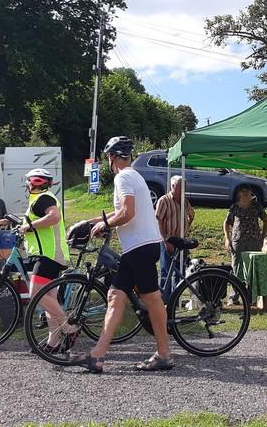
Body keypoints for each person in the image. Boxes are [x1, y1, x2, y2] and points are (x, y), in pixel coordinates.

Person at [69, 136, 173, 373]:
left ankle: (164, 354)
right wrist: (91, 221)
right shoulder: (133, 176)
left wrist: (105, 225)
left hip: (141, 247)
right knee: (115, 297)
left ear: (111, 157)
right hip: (137, 248)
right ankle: (97, 356)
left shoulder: (123, 176)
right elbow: (121, 212)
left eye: (108, 157)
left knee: (153, 300)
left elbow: (127, 212)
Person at [0, 168, 69, 350]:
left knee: (36, 295)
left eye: (27, 182)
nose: (26, 185)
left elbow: (53, 216)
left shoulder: (44, 199)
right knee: (49, 300)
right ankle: (53, 343)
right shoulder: (38, 200)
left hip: (49, 255)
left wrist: (31, 226)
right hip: (49, 254)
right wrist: (3, 222)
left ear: (33, 183)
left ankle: (69, 327)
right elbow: (27, 221)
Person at [154, 175, 194, 301]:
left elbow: (191, 214)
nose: (182, 190)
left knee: (180, 271)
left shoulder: (185, 202)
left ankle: (175, 300)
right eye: (179, 187)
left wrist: (188, 225)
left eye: (184, 187)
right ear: (172, 186)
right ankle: (165, 300)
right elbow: (158, 222)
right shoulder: (164, 200)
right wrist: (166, 241)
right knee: (166, 272)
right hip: (168, 241)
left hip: (181, 241)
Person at [224, 186, 267, 280]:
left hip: (254, 240)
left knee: (252, 267)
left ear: (251, 193)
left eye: (247, 191)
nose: (245, 193)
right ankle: (236, 291)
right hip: (238, 241)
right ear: (239, 194)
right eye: (243, 191)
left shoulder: (257, 206)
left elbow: (266, 220)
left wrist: (262, 237)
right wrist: (227, 239)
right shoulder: (234, 207)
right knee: (237, 267)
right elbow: (226, 223)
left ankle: (250, 292)